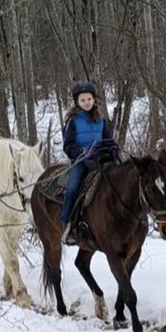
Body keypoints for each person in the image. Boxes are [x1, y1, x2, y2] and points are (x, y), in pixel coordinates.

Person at [60, 81, 120, 245]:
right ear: (77, 103)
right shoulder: (73, 121)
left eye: (89, 99)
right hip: (80, 161)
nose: (87, 102)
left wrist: (113, 149)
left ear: (94, 100)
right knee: (72, 189)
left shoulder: (101, 121)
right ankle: (67, 224)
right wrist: (80, 153)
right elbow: (68, 145)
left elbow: (107, 140)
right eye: (83, 100)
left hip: (100, 159)